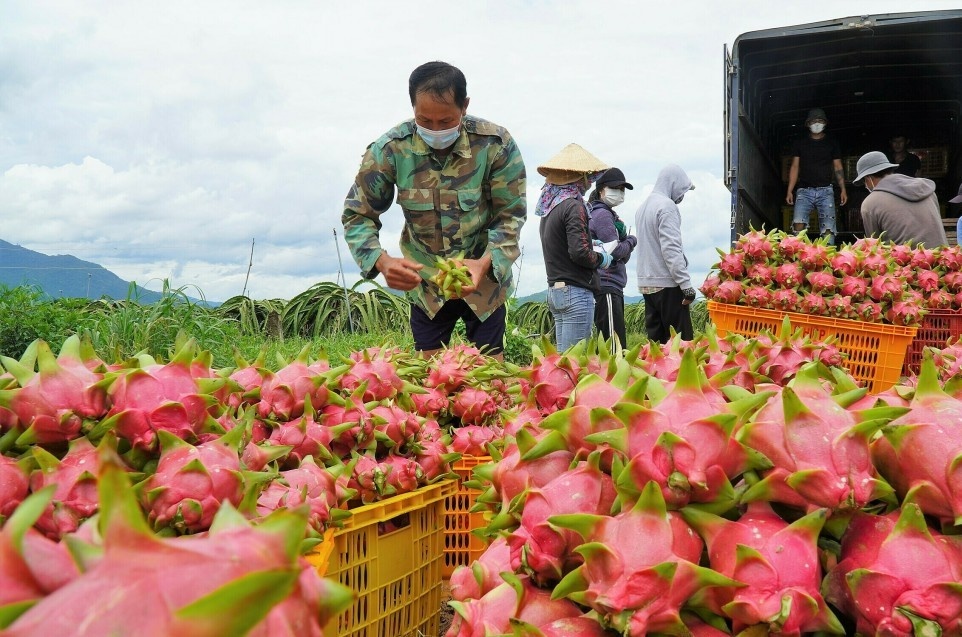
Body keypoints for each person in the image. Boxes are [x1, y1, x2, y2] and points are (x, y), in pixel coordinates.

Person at [341, 61, 526, 360]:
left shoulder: (495, 146)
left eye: (446, 121)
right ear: (412, 107)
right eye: (424, 121)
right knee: (429, 383)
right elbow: (357, 215)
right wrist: (381, 261)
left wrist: (484, 264)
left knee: (491, 379)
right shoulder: (390, 150)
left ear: (464, 106)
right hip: (425, 284)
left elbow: (510, 217)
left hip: (485, 282)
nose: (435, 130)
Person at [536, 143, 612, 351]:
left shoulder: (550, 206)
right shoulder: (574, 205)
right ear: (579, 177)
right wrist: (601, 259)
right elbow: (579, 252)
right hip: (575, 291)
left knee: (564, 359)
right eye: (586, 176)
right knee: (574, 363)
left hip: (556, 290)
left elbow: (560, 242)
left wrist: (590, 242)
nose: (589, 181)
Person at [635, 164, 696, 343]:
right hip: (667, 285)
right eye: (682, 190)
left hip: (647, 284)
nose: (682, 195)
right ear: (673, 184)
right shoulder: (666, 206)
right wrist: (686, 285)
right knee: (681, 345)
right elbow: (671, 248)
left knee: (657, 347)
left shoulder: (643, 207)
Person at [587, 167, 638, 350]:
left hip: (608, 284)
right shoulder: (602, 215)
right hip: (607, 284)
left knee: (610, 342)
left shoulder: (604, 213)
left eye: (622, 189)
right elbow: (616, 252)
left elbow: (621, 255)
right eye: (615, 188)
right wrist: (632, 240)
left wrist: (623, 246)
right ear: (601, 190)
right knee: (614, 346)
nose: (620, 193)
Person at [853, 150, 947, 247]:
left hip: (907, 261)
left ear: (868, 178)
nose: (865, 185)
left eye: (864, 180)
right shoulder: (927, 189)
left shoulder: (870, 203)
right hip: (945, 258)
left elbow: (874, 246)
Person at [785, 108, 848, 244]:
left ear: (825, 123)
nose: (817, 124)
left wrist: (843, 189)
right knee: (798, 226)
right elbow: (795, 167)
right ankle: (798, 257)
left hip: (826, 191)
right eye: (814, 121)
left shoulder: (832, 143)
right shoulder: (800, 143)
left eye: (820, 121)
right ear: (808, 124)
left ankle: (828, 259)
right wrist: (790, 190)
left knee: (829, 230)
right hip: (804, 190)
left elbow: (838, 167)